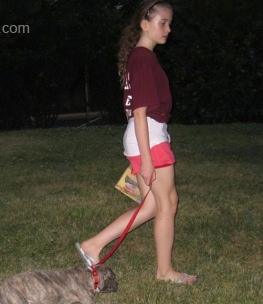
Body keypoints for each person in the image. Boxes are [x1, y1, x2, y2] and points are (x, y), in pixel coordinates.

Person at [76, 0, 200, 284]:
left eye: (170, 23)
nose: (168, 29)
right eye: (162, 23)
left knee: (152, 206)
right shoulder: (143, 57)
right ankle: (165, 272)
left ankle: (92, 245)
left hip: (143, 135)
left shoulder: (141, 57)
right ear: (145, 24)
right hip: (150, 138)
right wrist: (146, 158)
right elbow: (141, 111)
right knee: (167, 203)